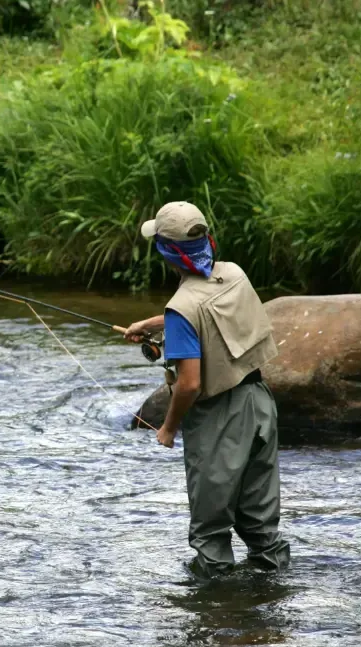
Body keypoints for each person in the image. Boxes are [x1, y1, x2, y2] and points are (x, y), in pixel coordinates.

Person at [124, 201, 290, 578]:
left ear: (166, 253)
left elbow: (190, 384)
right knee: (261, 526)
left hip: (219, 422)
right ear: (207, 241)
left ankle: (214, 621)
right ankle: (271, 607)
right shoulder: (233, 274)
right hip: (260, 405)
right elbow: (206, 307)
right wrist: (156, 323)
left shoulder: (181, 310)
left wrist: (168, 428)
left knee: (211, 535)